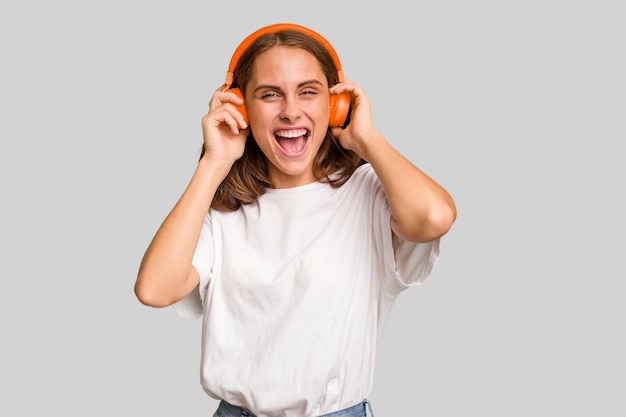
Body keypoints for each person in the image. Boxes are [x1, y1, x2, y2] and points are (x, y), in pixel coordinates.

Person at [135, 23, 456, 417]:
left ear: (335, 105)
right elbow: (154, 289)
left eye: (308, 91)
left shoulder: (369, 194)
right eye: (270, 95)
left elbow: (434, 217)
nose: (290, 110)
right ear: (241, 108)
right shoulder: (222, 210)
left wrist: (366, 138)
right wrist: (214, 164)